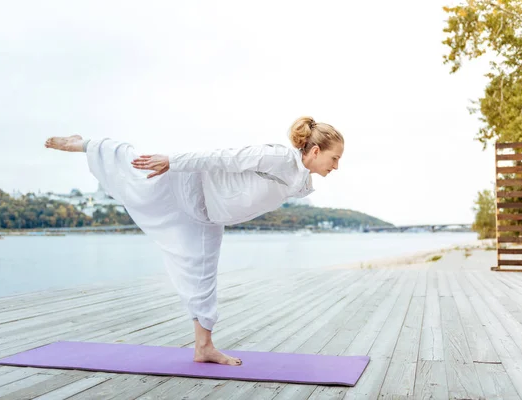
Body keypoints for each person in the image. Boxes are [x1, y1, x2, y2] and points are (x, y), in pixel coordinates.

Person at [44, 116, 344, 366]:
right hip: (189, 185)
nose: (337, 166)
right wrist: (172, 162)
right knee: (135, 174)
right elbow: (223, 157)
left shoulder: (302, 178)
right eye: (335, 158)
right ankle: (85, 144)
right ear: (315, 151)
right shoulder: (278, 156)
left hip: (207, 216)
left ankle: (204, 348)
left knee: (201, 274)